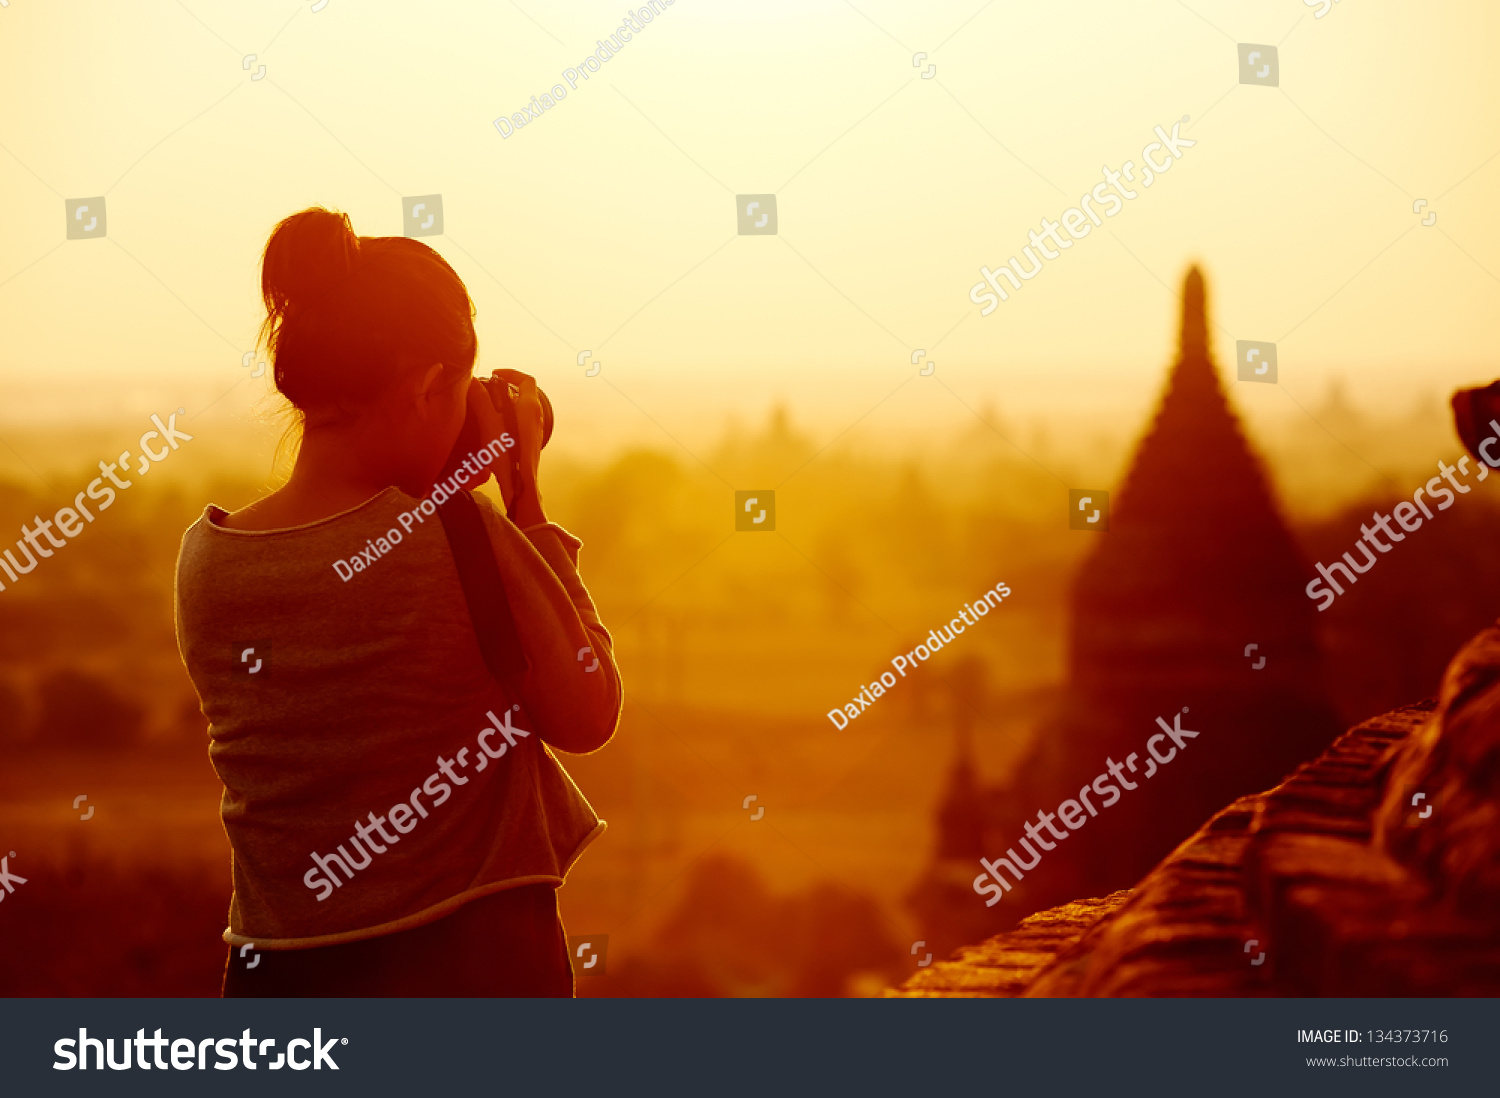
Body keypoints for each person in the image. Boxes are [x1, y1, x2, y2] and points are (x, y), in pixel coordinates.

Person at [173, 207, 621, 996]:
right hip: (466, 967)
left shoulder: (207, 561)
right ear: (422, 389)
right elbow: (589, 710)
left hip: (277, 976)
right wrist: (524, 501)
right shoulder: (457, 537)